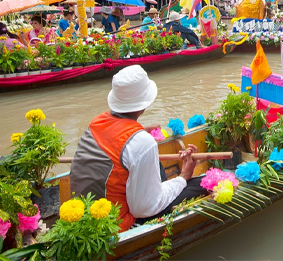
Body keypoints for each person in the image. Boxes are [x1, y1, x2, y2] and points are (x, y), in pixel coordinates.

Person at [70, 65, 206, 232]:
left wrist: (141, 133)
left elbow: (119, 140)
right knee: (203, 184)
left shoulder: (97, 122)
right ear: (144, 104)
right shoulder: (142, 142)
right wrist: (183, 176)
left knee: (155, 164)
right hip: (117, 224)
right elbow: (144, 208)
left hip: (85, 211)